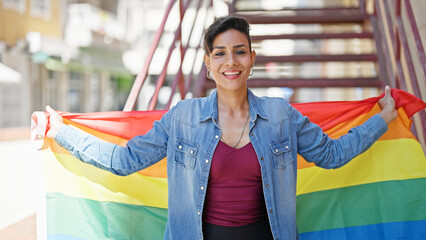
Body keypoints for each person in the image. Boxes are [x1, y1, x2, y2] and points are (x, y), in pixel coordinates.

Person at [46, 16, 397, 240]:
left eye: (240, 52)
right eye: (220, 53)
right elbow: (124, 161)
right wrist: (61, 131)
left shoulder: (280, 116)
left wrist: (382, 118)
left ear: (252, 59)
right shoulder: (182, 117)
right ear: (208, 63)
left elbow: (332, 155)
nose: (231, 61)